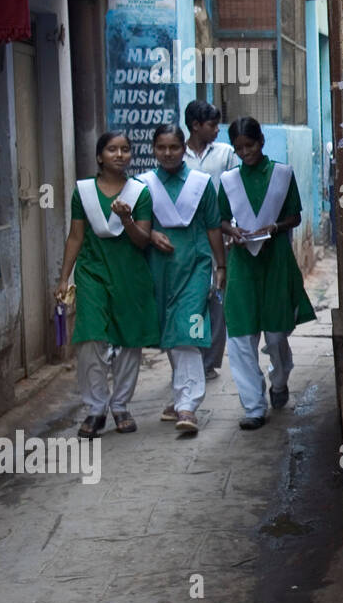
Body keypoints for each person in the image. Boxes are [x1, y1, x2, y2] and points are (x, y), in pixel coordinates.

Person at [55, 132, 160, 438]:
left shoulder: (140, 193)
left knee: (129, 339)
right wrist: (64, 277)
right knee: (90, 337)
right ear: (100, 156)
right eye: (112, 149)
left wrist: (127, 220)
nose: (119, 155)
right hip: (92, 272)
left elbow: (143, 240)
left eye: (125, 149)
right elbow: (76, 236)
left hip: (130, 274)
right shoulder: (83, 192)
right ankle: (95, 407)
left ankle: (121, 405)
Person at [217, 117, 316, 430]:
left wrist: (275, 226)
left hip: (275, 261)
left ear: (261, 141)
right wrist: (233, 231)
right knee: (241, 335)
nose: (245, 152)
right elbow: (221, 219)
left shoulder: (282, 174)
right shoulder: (229, 180)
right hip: (242, 263)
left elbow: (295, 216)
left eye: (250, 145)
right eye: (239, 148)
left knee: (276, 334)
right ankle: (253, 407)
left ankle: (280, 377)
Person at [141, 124, 226, 435]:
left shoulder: (201, 184)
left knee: (189, 331)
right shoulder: (143, 186)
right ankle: (180, 396)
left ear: (183, 148)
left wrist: (221, 265)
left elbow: (213, 226)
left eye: (174, 147)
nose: (168, 153)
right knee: (171, 332)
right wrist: (151, 234)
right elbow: (137, 227)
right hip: (159, 271)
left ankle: (188, 404)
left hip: (195, 268)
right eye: (161, 147)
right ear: (153, 149)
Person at [183, 100, 238, 380]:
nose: (217, 130)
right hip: (188, 238)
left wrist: (233, 227)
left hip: (219, 234)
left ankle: (209, 361)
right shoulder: (178, 156)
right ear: (196, 126)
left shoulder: (226, 154)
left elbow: (236, 192)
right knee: (192, 298)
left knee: (217, 299)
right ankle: (191, 355)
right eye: (212, 125)